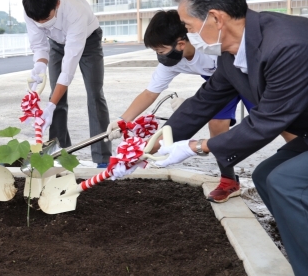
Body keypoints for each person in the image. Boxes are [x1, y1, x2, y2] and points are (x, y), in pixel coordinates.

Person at [152, 0, 308, 275]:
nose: (187, 35)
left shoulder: (288, 43)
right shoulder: (231, 55)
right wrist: (156, 141)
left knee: (288, 184)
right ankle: (304, 251)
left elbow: (268, 121)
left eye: (189, 25)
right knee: (266, 175)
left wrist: (196, 146)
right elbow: (205, 100)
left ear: (216, 18)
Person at [106, 10, 255, 202]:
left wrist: (194, 102)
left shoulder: (208, 46)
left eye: (160, 51)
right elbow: (150, 93)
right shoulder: (172, 62)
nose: (160, 57)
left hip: (246, 75)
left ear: (181, 43)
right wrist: (122, 120)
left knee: (278, 121)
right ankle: (229, 180)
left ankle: (301, 159)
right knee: (217, 127)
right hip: (217, 84)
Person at [22, 0, 111, 167]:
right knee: (57, 97)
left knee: (95, 95)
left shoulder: (74, 11)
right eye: (37, 21)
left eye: (46, 18)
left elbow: (68, 69)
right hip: (56, 43)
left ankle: (102, 158)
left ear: (57, 5)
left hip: (88, 40)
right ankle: (60, 155)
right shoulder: (31, 10)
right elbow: (39, 45)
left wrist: (51, 105)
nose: (41, 23)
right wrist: (39, 65)